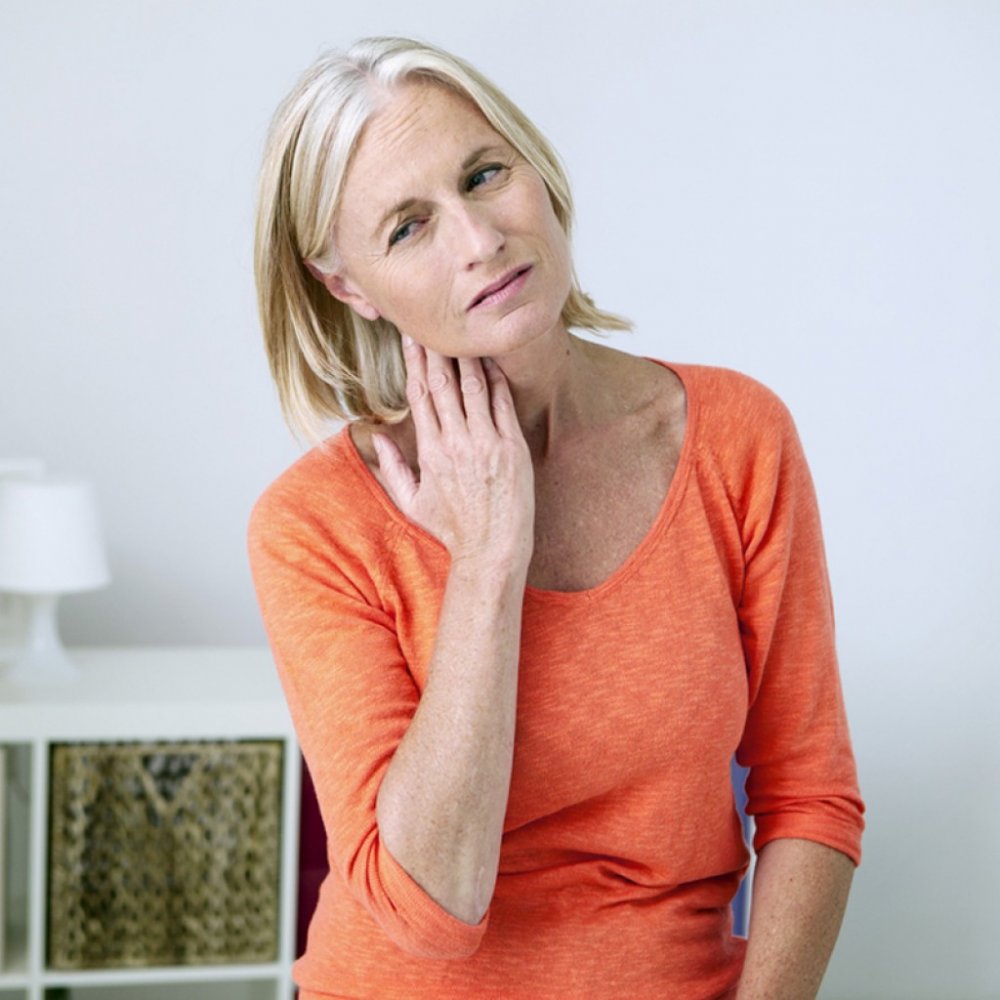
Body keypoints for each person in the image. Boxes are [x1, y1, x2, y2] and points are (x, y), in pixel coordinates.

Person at [248, 36, 865, 1000]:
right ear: (349, 287)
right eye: (408, 227)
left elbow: (810, 798)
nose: (478, 240)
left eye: (484, 175)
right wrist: (487, 560)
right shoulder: (313, 526)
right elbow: (429, 910)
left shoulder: (738, 438)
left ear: (535, 167)